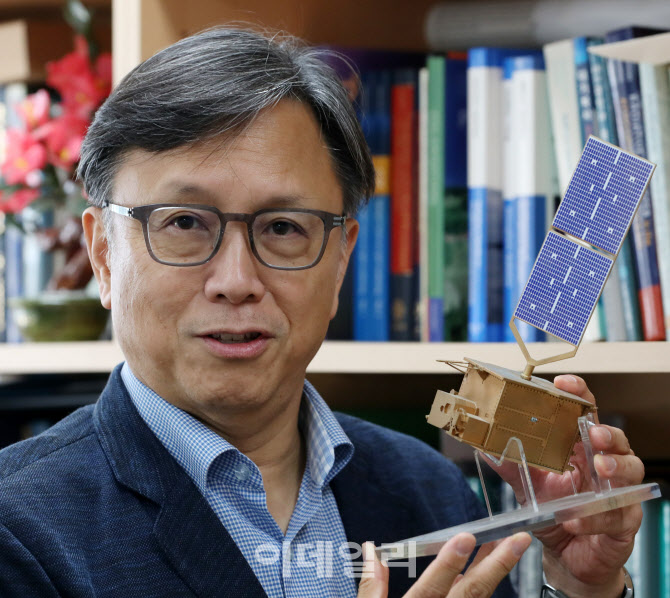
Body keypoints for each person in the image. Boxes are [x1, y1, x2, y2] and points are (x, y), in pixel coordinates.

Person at [0, 27, 642, 598]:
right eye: (185, 223)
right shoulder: (18, 527)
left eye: (283, 227)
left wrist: (582, 587)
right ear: (104, 256)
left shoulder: (427, 488)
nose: (236, 281)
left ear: (340, 261)